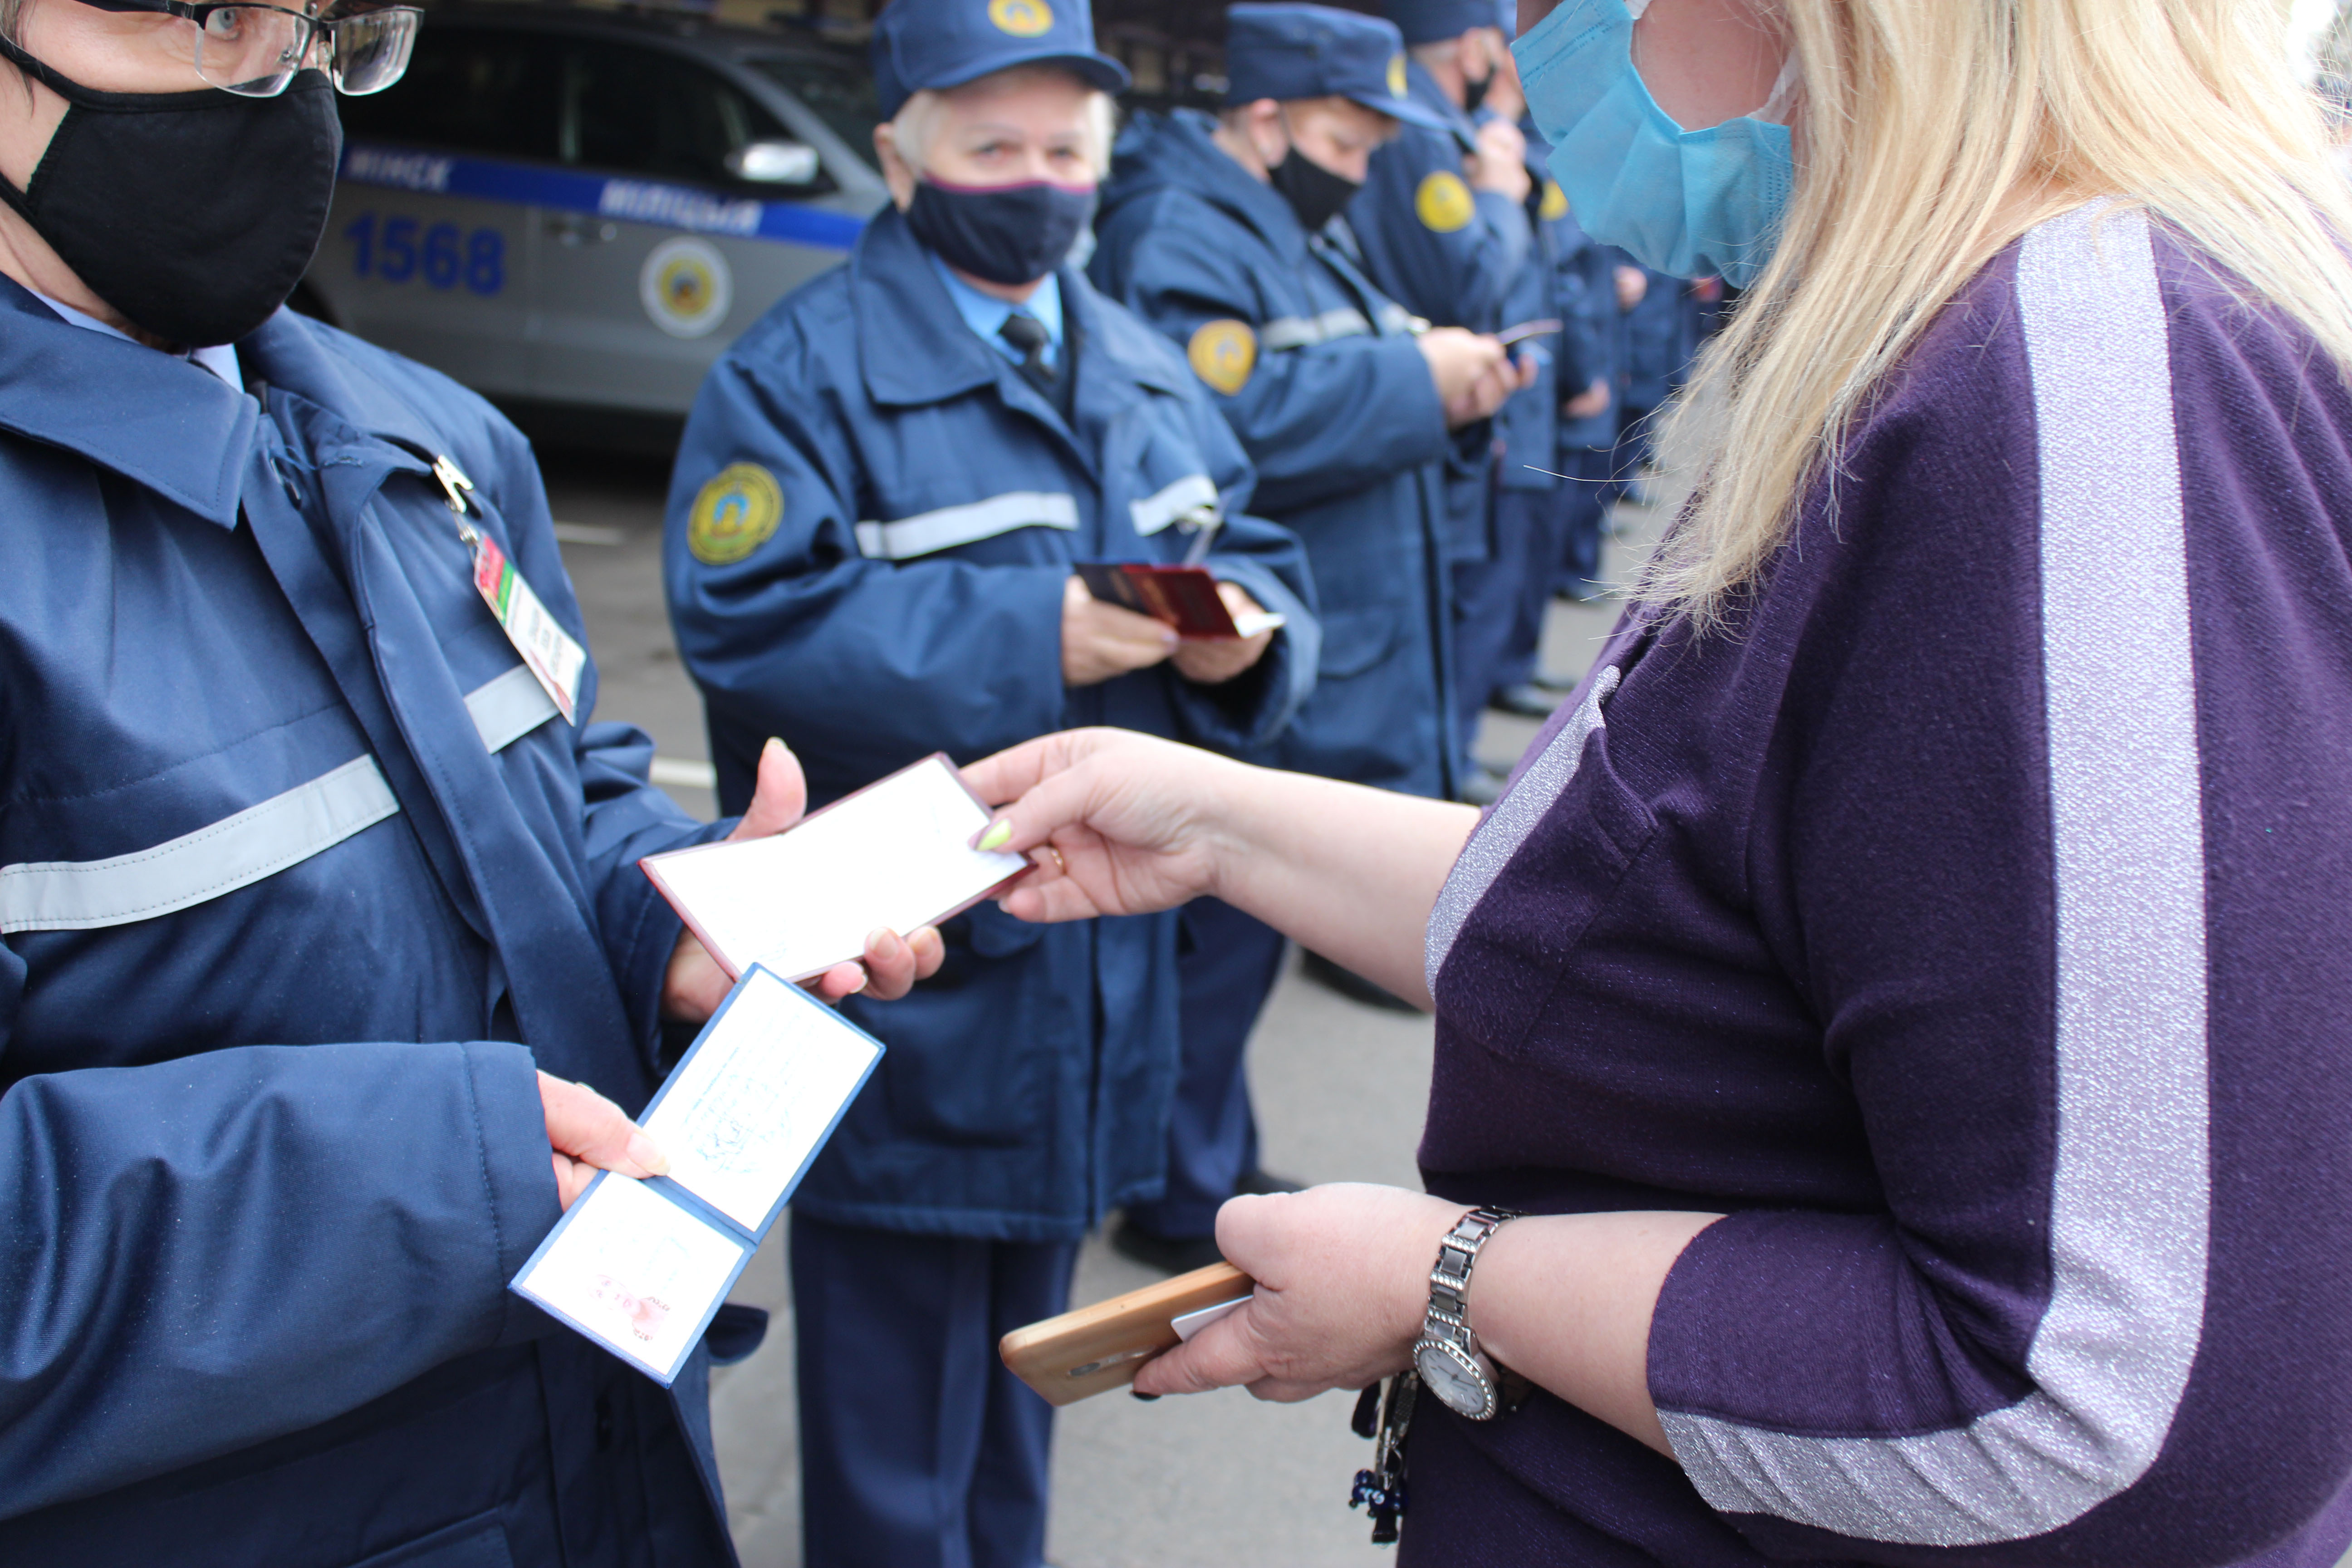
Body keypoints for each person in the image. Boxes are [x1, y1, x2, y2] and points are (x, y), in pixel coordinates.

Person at [963, 0, 2352, 1562]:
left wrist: (1449, 1280)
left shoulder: (2075, 368)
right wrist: (1217, 818)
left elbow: (2093, 1398)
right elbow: (1685, 929)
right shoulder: (1976, 336)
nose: (1543, 42)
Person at [0, 0, 944, 1561]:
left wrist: (664, 923)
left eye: (334, 27)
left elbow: (545, 793)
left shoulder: (423, 437)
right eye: (206, 14)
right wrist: (430, 1184)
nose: (282, 87)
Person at [661, 2, 1317, 1562]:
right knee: (891, 1454)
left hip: (1090, 1002)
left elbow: (1260, 548)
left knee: (1030, 1402)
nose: (1036, 181)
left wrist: (1248, 640)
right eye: (992, 146)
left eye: (1065, 150)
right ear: (899, 155)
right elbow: (750, 635)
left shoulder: (1142, 363)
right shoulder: (795, 375)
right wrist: (1041, 633)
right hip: (913, 993)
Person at [1089, 2, 1516, 1272]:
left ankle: (1205, 1159)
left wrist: (1447, 382)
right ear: (1264, 119)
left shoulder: (1281, 228)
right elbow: (1242, 426)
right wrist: (1416, 382)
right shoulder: (1182, 229)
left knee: (1242, 940)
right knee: (1218, 935)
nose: (1362, 167)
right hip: (1255, 656)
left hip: (1322, 640)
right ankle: (1175, 1181)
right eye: (1344, 135)